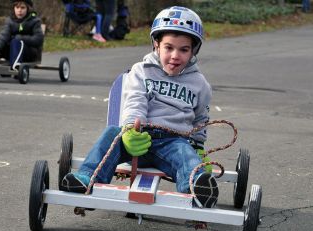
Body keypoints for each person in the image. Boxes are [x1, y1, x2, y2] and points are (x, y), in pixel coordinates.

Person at [62, 6, 218, 208]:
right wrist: (129, 130)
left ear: (193, 50)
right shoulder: (141, 71)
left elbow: (200, 118)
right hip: (137, 136)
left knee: (185, 154)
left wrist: (198, 145)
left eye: (184, 49)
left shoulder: (199, 84)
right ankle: (87, 178)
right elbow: (135, 100)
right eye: (168, 47)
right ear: (156, 45)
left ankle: (197, 187)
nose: (175, 55)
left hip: (172, 141)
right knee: (111, 134)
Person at [0, 0, 44, 70]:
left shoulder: (34, 21)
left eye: (22, 8)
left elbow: (38, 39)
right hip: (11, 52)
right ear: (14, 8)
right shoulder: (10, 21)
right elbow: (3, 35)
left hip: (28, 53)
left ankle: (16, 65)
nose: (19, 10)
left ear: (28, 9)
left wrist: (21, 38)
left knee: (16, 42)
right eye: (17, 8)